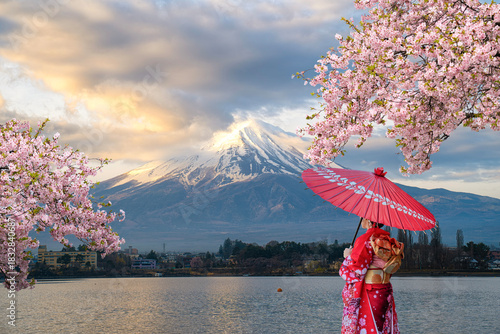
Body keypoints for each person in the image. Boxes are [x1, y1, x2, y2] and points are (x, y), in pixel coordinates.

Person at [339, 218, 404, 334]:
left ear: (369, 221)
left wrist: (348, 257)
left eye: (362, 218)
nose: (360, 220)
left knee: (370, 327)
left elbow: (356, 272)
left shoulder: (365, 240)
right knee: (382, 325)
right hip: (385, 290)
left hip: (370, 292)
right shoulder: (388, 241)